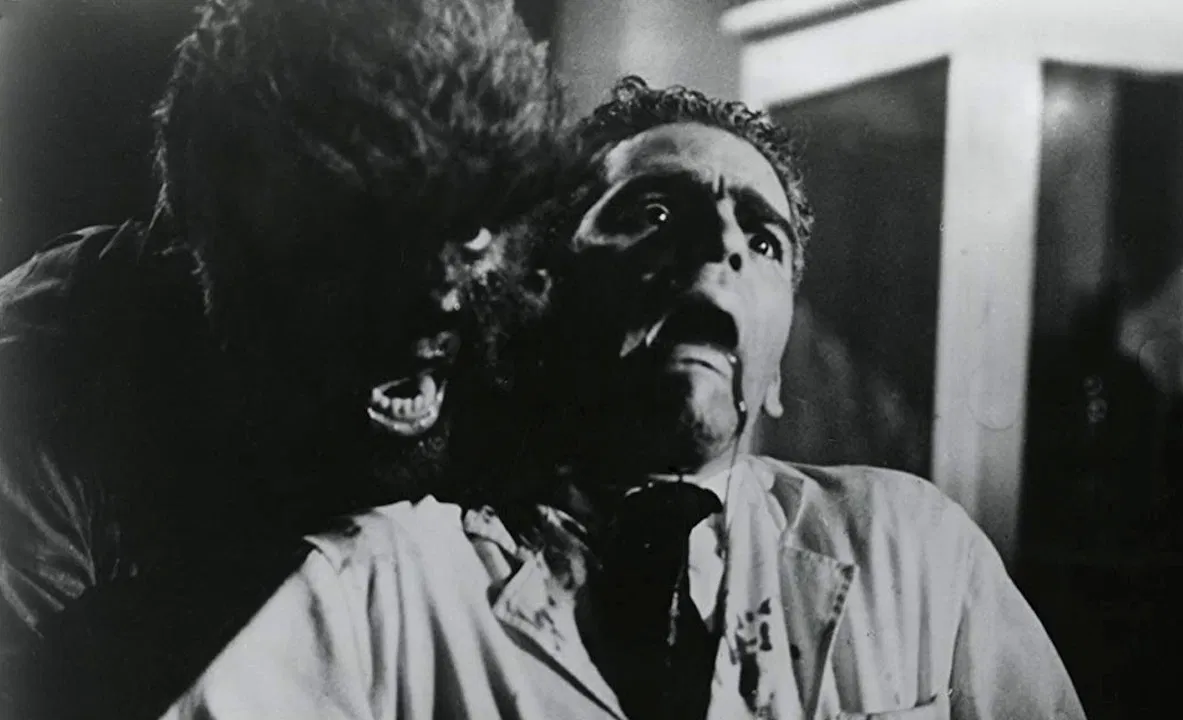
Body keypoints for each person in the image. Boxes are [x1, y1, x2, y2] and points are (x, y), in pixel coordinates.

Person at [159, 77, 1086, 720]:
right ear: (539, 290)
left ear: (777, 369)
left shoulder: (916, 558)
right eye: (653, 212)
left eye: (763, 239)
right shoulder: (377, 593)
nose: (722, 245)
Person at [0, 0, 564, 716]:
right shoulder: (42, 382)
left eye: (472, 228)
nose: (440, 296)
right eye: (368, 234)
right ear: (205, 240)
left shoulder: (533, 327)